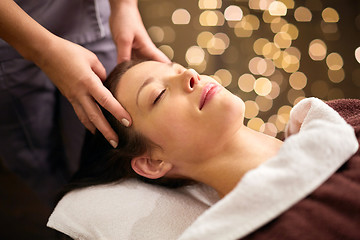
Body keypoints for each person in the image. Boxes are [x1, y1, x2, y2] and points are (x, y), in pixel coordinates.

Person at [60, 60, 360, 239]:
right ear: (152, 162)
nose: (189, 74)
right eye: (158, 94)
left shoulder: (344, 120)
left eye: (176, 68)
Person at [0, 0, 169, 203]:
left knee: (96, 153)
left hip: (92, 19)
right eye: (158, 94)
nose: (192, 74)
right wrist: (43, 51)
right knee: (33, 155)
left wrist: (125, 7)